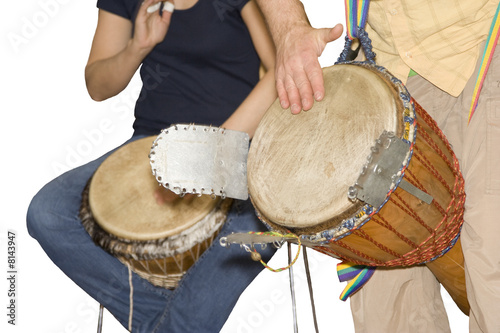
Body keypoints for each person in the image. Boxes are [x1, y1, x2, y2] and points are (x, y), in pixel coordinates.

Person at [27, 0, 278, 331]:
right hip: (152, 146)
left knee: (266, 217)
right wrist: (137, 47)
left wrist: (206, 154)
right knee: (48, 213)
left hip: (238, 144)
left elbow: (281, 70)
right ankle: (168, 322)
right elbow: (97, 85)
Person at [255, 0, 500, 332]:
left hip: (480, 38)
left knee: (491, 248)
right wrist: (290, 30)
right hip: (386, 58)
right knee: (384, 305)